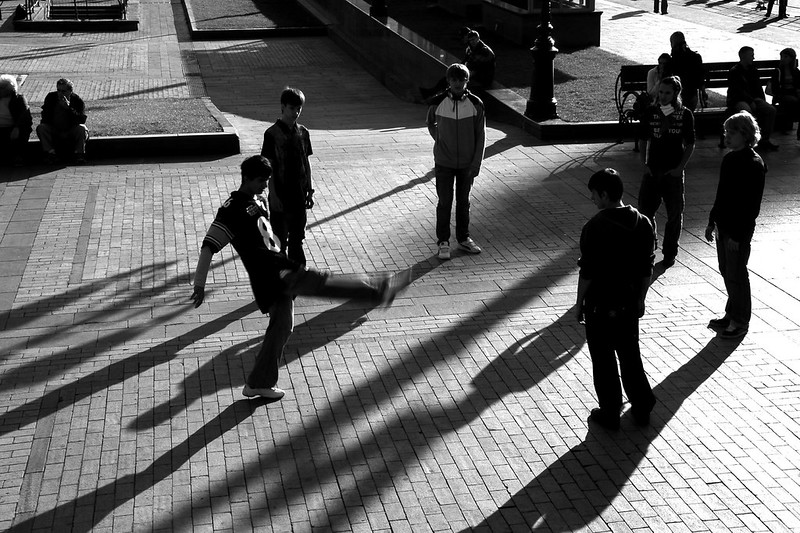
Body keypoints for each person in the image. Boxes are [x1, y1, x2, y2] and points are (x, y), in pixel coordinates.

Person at [191, 155, 403, 400]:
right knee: (322, 283)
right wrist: (199, 284)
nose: (264, 185)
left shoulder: (258, 199)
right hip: (276, 275)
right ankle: (378, 290)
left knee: (283, 326)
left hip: (276, 273)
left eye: (267, 180)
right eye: (261, 180)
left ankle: (258, 383)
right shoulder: (231, 210)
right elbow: (208, 247)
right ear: (246, 178)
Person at [575, 168, 657, 430]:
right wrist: (641, 298)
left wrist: (579, 305)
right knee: (630, 354)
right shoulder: (643, 223)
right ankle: (642, 405)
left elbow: (587, 273)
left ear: (605, 194)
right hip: (628, 301)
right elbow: (647, 268)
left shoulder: (595, 227)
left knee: (603, 359)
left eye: (594, 195)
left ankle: (610, 411)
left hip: (600, 303)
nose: (592, 200)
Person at [704, 112, 766, 340]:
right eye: (726, 132)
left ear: (745, 134)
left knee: (736, 274)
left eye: (732, 132)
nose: (727, 136)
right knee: (726, 271)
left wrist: (738, 236)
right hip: (724, 226)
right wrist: (712, 221)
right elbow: (722, 195)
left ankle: (740, 320)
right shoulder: (730, 159)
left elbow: (750, 207)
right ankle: (732, 313)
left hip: (737, 231)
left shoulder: (753, 164)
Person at [426, 63, 486, 260]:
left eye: (461, 80)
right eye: (454, 80)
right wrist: (440, 141)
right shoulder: (438, 102)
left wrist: (476, 162)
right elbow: (430, 123)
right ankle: (443, 242)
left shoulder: (476, 104)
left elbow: (481, 135)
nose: (458, 83)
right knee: (445, 202)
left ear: (467, 81)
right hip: (444, 163)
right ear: (448, 81)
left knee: (463, 202)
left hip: (467, 165)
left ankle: (463, 238)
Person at [637, 75, 696, 268]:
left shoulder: (684, 114)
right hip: (653, 170)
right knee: (645, 212)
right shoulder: (650, 112)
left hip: (672, 172)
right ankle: (648, 246)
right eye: (661, 92)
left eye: (667, 93)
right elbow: (643, 138)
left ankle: (670, 251)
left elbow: (690, 144)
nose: (662, 96)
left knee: (674, 214)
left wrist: (680, 168)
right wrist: (643, 164)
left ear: (676, 93)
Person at [261, 87, 314, 266]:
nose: (296, 112)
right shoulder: (271, 134)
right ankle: (282, 280)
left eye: (299, 108)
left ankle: (298, 276)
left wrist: (310, 190)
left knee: (298, 238)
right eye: (292, 108)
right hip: (281, 195)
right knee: (280, 241)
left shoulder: (303, 133)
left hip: (299, 194)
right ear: (283, 107)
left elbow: (306, 163)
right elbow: (270, 168)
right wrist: (273, 195)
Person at [727, 46, 778, 151]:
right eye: (751, 55)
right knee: (747, 113)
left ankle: (764, 140)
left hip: (753, 99)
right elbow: (738, 91)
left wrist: (761, 100)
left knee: (770, 110)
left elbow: (758, 88)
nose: (753, 58)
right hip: (738, 100)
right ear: (743, 56)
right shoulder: (735, 71)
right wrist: (751, 101)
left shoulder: (753, 70)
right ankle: (747, 141)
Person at [36, 78, 89, 164]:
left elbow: (81, 119)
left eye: (63, 91)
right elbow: (45, 116)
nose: (60, 94)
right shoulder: (51, 97)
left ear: (70, 91)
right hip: (55, 128)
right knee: (41, 128)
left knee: (82, 129)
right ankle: (50, 154)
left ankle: (79, 155)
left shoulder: (77, 101)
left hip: (71, 129)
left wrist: (68, 109)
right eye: (58, 90)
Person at [766, 48, 800, 138]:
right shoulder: (778, 71)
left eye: (786, 57)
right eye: (781, 56)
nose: (783, 59)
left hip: (793, 94)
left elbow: (798, 84)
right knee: (792, 101)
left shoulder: (795, 71)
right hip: (782, 94)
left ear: (791, 58)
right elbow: (776, 87)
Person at [0, 74, 32, 167]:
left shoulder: (19, 99)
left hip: (13, 127)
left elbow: (24, 116)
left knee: (17, 137)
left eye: (1, 87)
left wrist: (17, 127)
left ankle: (18, 157)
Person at [669, 32, 705, 111]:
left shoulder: (674, 58)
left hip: (678, 95)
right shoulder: (696, 57)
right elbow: (700, 78)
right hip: (692, 95)